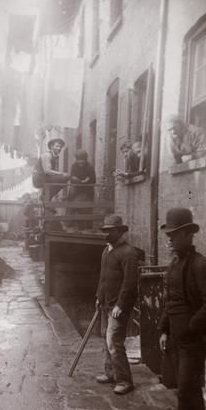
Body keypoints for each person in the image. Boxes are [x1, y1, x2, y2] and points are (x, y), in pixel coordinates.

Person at [158, 207, 206, 410]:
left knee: (188, 390)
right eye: (168, 236)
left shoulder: (202, 265)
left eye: (174, 236)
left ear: (188, 235)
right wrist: (165, 329)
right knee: (183, 389)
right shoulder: (174, 265)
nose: (170, 241)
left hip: (194, 340)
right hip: (177, 337)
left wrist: (191, 327)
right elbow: (171, 301)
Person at [95, 214, 139, 395]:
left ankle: (124, 380)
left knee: (114, 341)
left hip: (118, 306)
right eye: (105, 231)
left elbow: (130, 282)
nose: (106, 234)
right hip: (106, 303)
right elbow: (103, 278)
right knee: (106, 338)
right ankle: (110, 373)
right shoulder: (107, 251)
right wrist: (99, 296)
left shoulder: (129, 253)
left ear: (120, 231)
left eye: (110, 231)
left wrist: (120, 305)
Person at [67, 149, 96, 229]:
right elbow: (71, 177)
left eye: (82, 160)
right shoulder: (74, 166)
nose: (81, 162)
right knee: (72, 203)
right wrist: (75, 179)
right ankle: (70, 223)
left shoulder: (89, 167)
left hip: (87, 190)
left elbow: (94, 179)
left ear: (85, 159)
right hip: (76, 189)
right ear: (76, 160)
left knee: (84, 207)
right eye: (79, 160)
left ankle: (87, 226)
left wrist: (87, 180)